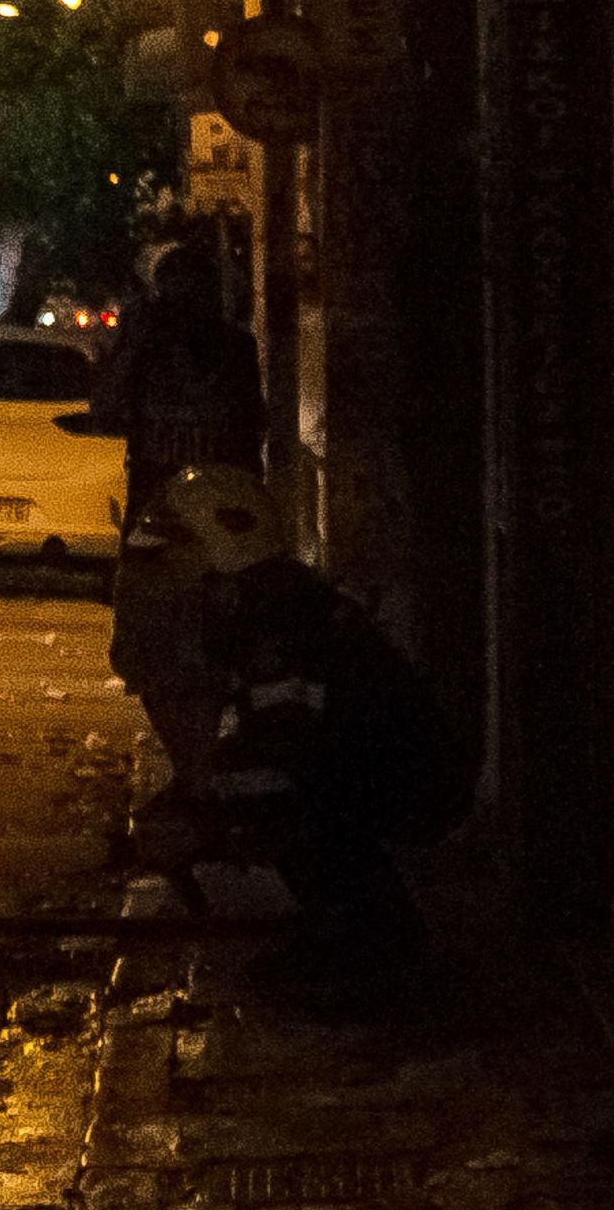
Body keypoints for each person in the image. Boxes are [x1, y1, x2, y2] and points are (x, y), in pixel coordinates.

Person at [168, 466, 461, 1009]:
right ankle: (358, 923)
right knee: (273, 793)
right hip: (402, 763)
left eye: (183, 545)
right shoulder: (274, 590)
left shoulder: (267, 610)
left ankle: (369, 939)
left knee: (268, 800)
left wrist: (204, 807)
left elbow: (283, 733)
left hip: (403, 773)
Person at [92, 237, 267, 801]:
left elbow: (251, 429)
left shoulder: (232, 348)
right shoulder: (151, 347)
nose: (187, 300)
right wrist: (138, 343)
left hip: (215, 523)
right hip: (163, 522)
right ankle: (190, 764)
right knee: (149, 647)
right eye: (177, 289)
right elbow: (107, 409)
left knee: (212, 642)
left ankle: (197, 765)